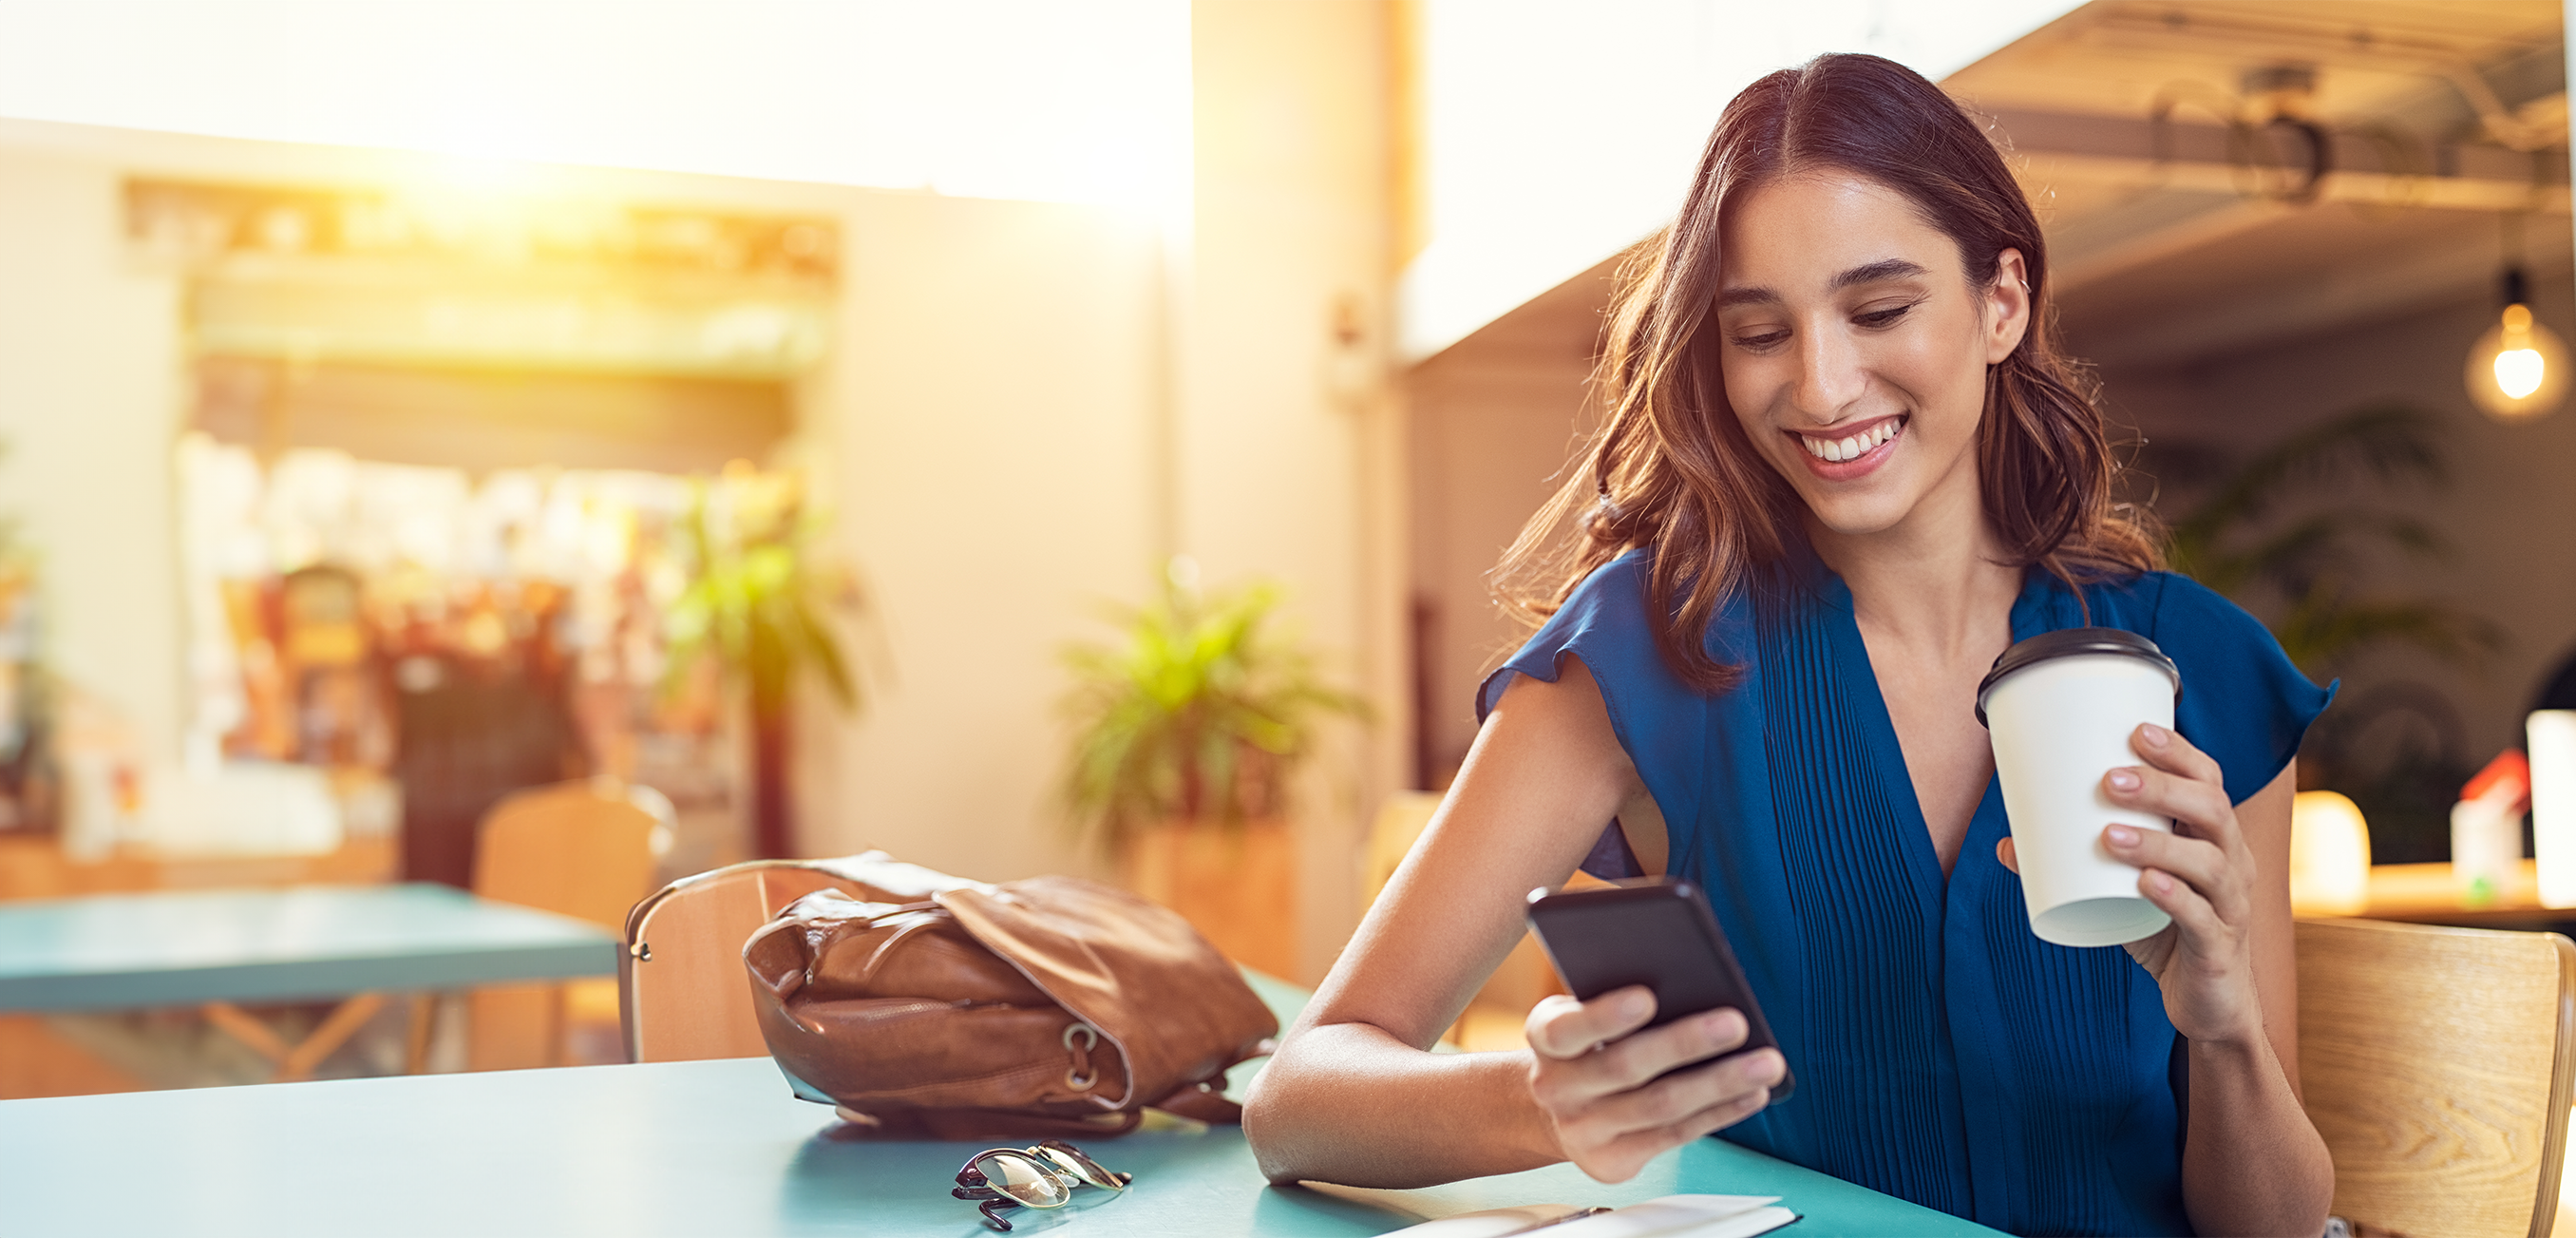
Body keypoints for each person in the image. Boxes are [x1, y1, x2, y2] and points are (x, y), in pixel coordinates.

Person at [1244, 53, 2336, 1238]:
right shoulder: (1646, 653)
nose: (1820, 387)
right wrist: (1541, 1099)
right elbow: (1299, 1100)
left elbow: (2272, 1226)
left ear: (2002, 301)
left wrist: (2222, 1027)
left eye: (1879, 310)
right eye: (1760, 330)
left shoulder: (2203, 669)